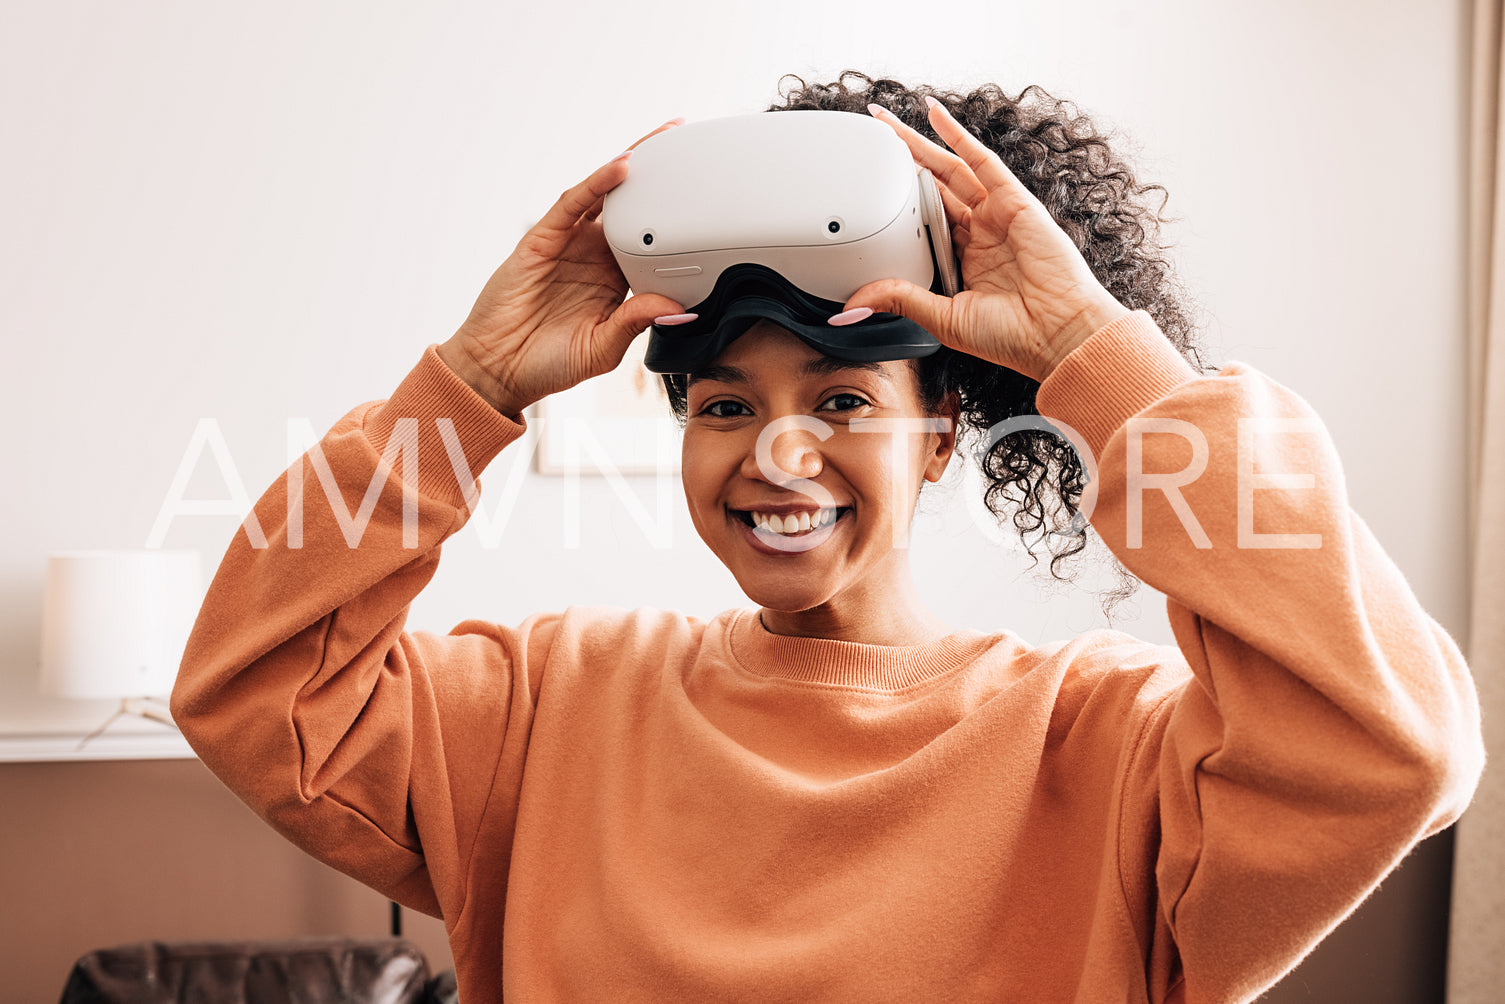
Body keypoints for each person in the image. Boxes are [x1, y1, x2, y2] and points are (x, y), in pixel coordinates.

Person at [172, 73, 1484, 1003]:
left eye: (842, 402)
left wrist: (1097, 361)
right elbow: (256, 690)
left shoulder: (1095, 743)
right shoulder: (542, 708)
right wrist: (465, 384)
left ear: (935, 435)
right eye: (725, 405)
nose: (774, 454)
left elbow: (1389, 748)